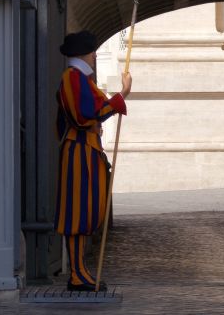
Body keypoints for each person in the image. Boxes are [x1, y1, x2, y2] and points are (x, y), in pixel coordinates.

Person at [55, 30, 132, 291]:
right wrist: (121, 95)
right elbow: (86, 115)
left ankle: (80, 270)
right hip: (78, 152)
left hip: (86, 150)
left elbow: (96, 110)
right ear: (83, 54)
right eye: (91, 51)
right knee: (77, 213)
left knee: (86, 212)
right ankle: (76, 274)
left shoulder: (81, 79)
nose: (94, 55)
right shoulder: (72, 78)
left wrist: (118, 99)